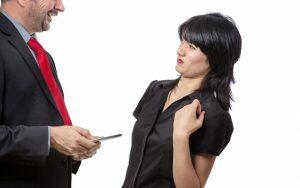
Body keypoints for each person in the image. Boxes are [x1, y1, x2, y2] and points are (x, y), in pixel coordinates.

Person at [122, 13, 242, 188]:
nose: (181, 50)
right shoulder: (155, 89)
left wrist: (181, 136)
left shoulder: (214, 115)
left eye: (192, 46)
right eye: (183, 41)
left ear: (215, 58)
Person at [0, 0, 100, 187]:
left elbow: (43, 122)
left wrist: (71, 147)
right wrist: (50, 138)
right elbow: (48, 135)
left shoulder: (41, 55)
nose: (60, 6)